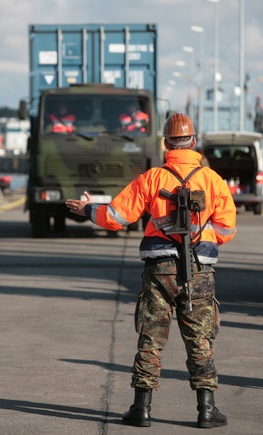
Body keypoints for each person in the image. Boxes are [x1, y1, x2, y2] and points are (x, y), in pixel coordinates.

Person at [65, 113, 237, 429]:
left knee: (151, 335)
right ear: (194, 142)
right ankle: (207, 410)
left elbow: (114, 217)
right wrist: (204, 238)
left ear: (166, 143)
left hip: (159, 271)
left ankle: (141, 409)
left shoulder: (152, 178)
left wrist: (87, 208)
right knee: (200, 337)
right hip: (200, 272)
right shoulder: (213, 181)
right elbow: (227, 228)